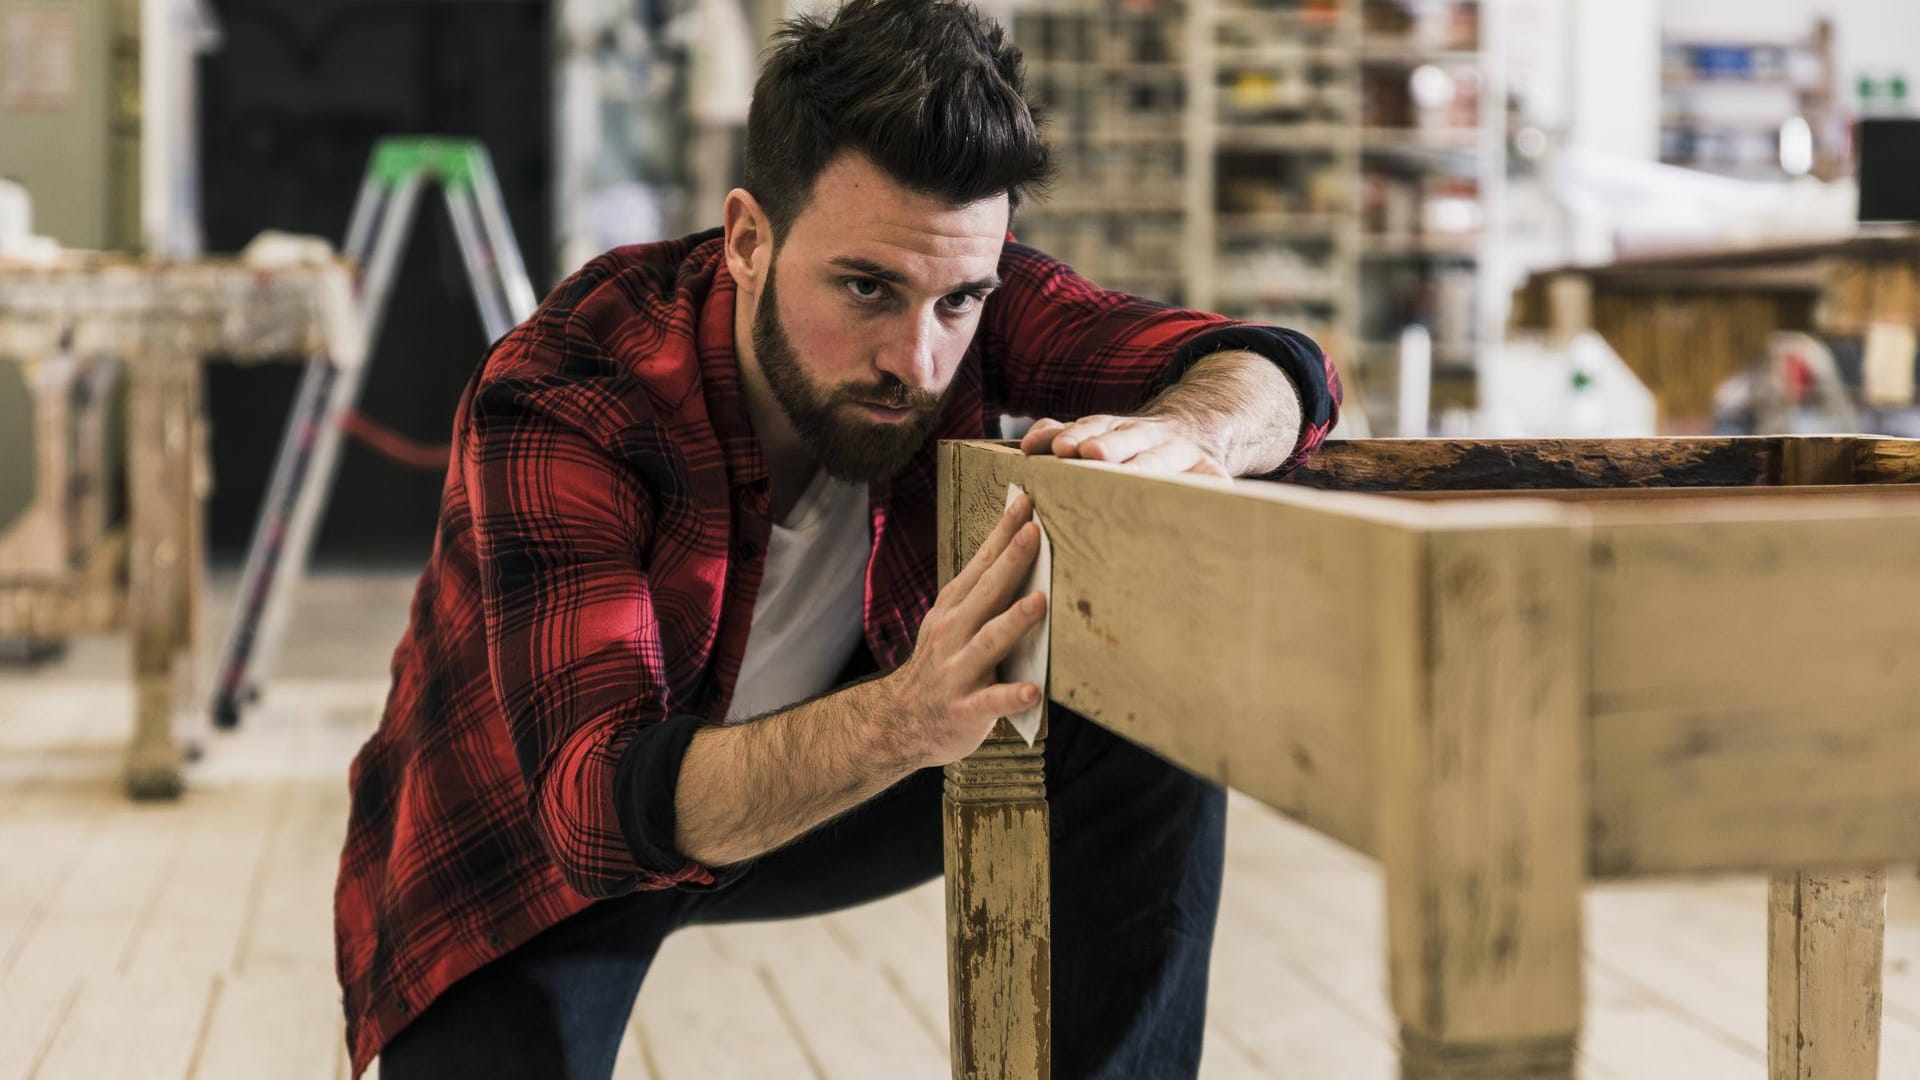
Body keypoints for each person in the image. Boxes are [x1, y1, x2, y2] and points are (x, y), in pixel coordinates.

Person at [335, 0, 1341, 1076]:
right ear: (748, 241)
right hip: (536, 852)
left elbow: (1280, 365)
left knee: (1139, 701)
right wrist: (904, 719)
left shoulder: (959, 293)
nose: (916, 357)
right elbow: (598, 805)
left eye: (960, 300)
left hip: (824, 785)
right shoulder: (571, 387)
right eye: (866, 288)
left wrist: (1195, 433)